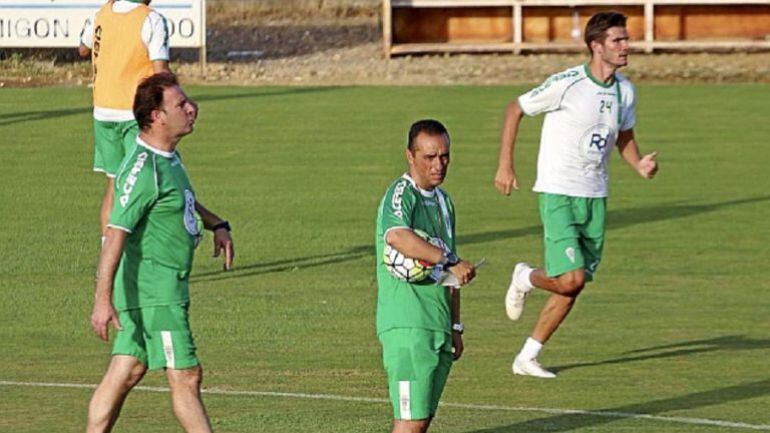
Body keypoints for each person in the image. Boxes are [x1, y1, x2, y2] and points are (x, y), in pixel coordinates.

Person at [494, 11, 658, 379]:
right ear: (596, 46)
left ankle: (527, 357)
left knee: (573, 285)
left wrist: (638, 165)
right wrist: (506, 165)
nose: (626, 46)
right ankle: (526, 276)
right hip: (558, 192)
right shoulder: (567, 83)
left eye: (626, 39)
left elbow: (623, 136)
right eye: (618, 40)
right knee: (572, 278)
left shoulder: (626, 91)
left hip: (595, 196)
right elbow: (514, 108)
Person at [86, 73, 234, 433]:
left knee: (128, 368)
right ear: (156, 116)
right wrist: (102, 300)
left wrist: (216, 222)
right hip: (155, 291)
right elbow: (115, 234)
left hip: (161, 288)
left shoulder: (166, 157)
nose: (192, 108)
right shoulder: (142, 169)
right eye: (181, 104)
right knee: (186, 376)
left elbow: (178, 196)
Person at [376, 119, 476, 433]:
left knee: (421, 422)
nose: (439, 164)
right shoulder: (402, 193)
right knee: (409, 424)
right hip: (408, 326)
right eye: (429, 157)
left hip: (437, 325)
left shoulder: (445, 201)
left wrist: (455, 326)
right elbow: (397, 237)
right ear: (410, 156)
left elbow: (450, 274)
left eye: (444, 156)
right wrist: (450, 259)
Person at [78, 0, 171, 240]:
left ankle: (107, 256)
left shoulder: (103, 13)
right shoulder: (150, 19)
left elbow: (83, 49)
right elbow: (161, 72)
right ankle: (138, 254)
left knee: (114, 183)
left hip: (103, 110)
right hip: (135, 113)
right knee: (143, 183)